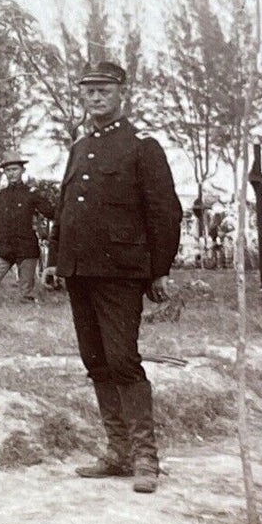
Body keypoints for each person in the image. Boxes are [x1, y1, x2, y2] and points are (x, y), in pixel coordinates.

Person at [43, 62, 183, 494]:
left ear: (121, 94)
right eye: (88, 91)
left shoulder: (143, 146)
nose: (95, 97)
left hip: (121, 272)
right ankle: (118, 452)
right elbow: (66, 207)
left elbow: (165, 211)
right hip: (79, 270)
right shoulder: (80, 146)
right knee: (96, 360)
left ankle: (146, 458)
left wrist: (159, 270)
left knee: (123, 360)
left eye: (104, 90)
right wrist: (54, 259)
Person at [0, 155, 54, 303]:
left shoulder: (31, 193)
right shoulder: (0, 196)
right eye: (8, 170)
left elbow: (51, 212)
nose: (11, 173)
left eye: (15, 169)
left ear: (22, 170)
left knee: (26, 292)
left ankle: (27, 324)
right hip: (4, 249)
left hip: (26, 249)